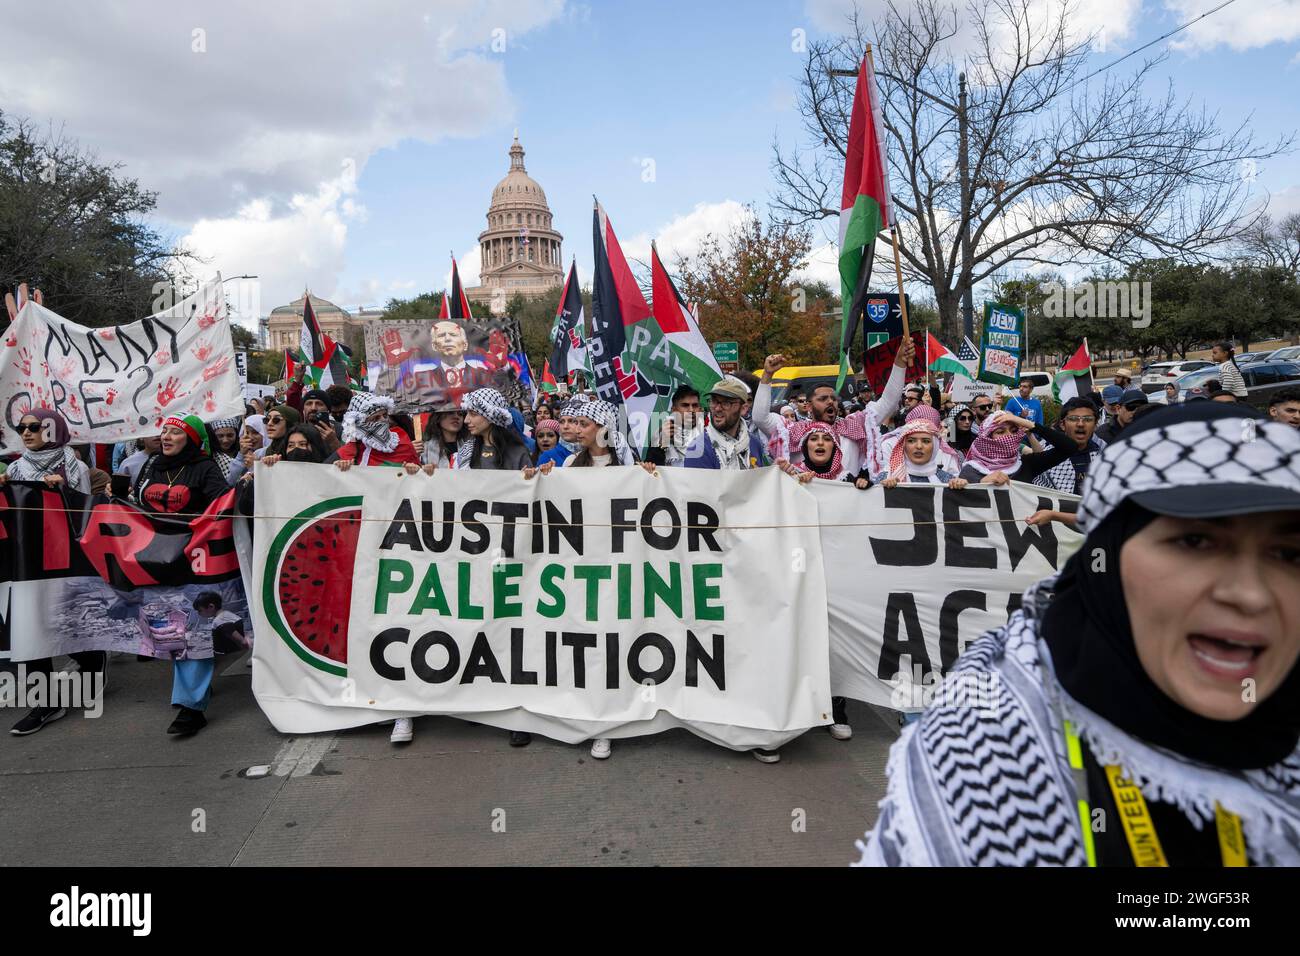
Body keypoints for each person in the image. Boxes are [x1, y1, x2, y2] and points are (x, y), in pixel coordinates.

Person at [856, 402, 1300, 866]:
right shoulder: (986, 751)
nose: (1250, 595)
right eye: (1195, 542)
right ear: (1106, 549)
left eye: (1290, 553)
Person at [4, 410, 105, 735]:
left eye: (35, 427)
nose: (27, 433)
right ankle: (46, 703)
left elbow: (83, 512)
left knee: (65, 622)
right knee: (31, 625)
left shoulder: (74, 466)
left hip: (64, 559)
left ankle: (92, 660)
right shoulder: (16, 468)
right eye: (22, 428)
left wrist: (63, 490)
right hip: (27, 560)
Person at [131, 415, 231, 736]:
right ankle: (196, 687)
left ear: (192, 439)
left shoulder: (206, 468)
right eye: (164, 431)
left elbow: (222, 505)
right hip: (157, 559)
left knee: (192, 630)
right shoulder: (152, 467)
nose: (166, 436)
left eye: (175, 431)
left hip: (195, 560)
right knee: (170, 631)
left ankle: (190, 708)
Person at [757, 339, 915, 477]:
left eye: (833, 398)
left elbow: (888, 402)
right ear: (809, 406)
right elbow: (760, 418)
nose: (830, 402)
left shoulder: (853, 425)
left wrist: (899, 362)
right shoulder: (793, 431)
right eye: (823, 399)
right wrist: (767, 375)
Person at [955, 411, 1076, 486]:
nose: (1009, 436)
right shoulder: (971, 470)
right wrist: (981, 483)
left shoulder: (1027, 464)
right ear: (987, 437)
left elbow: (1070, 447)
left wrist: (1028, 424)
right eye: (1000, 431)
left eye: (1013, 431)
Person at [679, 376, 770, 470]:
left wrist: (776, 471)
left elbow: (760, 482)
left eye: (726, 403)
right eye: (714, 401)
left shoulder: (753, 443)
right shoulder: (698, 449)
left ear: (743, 408)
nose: (717, 408)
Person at [1031, 397, 1107, 495]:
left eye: (1087, 419)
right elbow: (1040, 496)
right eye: (1073, 419)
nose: (1080, 424)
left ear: (1096, 424)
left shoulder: (1105, 455)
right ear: (1063, 425)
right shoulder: (1046, 458)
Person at [454, 388, 533, 473]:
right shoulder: (466, 451)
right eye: (467, 414)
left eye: (473, 414)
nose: (466, 420)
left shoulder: (517, 453)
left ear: (492, 417)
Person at [333, 393, 419, 470]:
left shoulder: (401, 437)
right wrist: (341, 466)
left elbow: (419, 476)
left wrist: (413, 468)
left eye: (385, 415)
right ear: (361, 424)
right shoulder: (352, 445)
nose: (383, 420)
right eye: (376, 418)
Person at [646, 384, 705, 466]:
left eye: (695, 405)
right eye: (685, 405)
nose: (691, 410)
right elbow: (651, 470)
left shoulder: (709, 433)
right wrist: (661, 446)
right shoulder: (660, 434)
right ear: (674, 409)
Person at [415, 402, 468, 470]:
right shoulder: (423, 448)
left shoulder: (471, 447)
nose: (456, 417)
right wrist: (413, 455)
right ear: (438, 418)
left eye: (460, 414)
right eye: (450, 412)